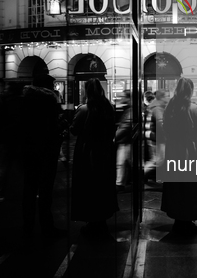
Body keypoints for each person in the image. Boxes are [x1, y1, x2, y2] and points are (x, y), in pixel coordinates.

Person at [160, 77, 197, 235]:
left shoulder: (170, 106)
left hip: (174, 150)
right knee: (191, 185)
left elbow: (165, 127)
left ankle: (178, 218)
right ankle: (187, 220)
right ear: (191, 90)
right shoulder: (193, 107)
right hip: (191, 151)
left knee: (177, 184)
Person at [70, 78, 118, 237]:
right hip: (105, 151)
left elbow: (75, 130)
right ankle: (102, 219)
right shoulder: (108, 107)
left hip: (88, 151)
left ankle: (92, 221)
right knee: (103, 184)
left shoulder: (84, 109)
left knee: (88, 185)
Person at [21, 73, 64, 240]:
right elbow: (53, 126)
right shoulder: (48, 100)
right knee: (45, 191)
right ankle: (47, 226)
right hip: (46, 149)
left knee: (29, 189)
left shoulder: (25, 100)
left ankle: (28, 226)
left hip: (29, 150)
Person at [0, 81, 24, 202]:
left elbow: (5, 121)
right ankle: (33, 190)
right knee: (21, 166)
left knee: (4, 167)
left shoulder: (9, 103)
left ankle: (0, 193)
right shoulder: (23, 102)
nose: (5, 90)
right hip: (20, 139)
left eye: (7, 89)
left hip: (10, 139)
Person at [144, 90, 167, 182]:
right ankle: (143, 174)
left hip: (155, 137)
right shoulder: (157, 108)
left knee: (158, 159)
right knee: (158, 160)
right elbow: (160, 124)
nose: (166, 98)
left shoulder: (155, 106)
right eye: (165, 96)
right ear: (161, 98)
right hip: (158, 138)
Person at [115, 90, 132, 191]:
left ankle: (119, 183)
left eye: (123, 97)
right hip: (126, 140)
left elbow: (125, 126)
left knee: (121, 162)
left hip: (125, 141)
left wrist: (114, 137)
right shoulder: (128, 109)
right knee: (126, 162)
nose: (121, 99)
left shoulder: (129, 110)